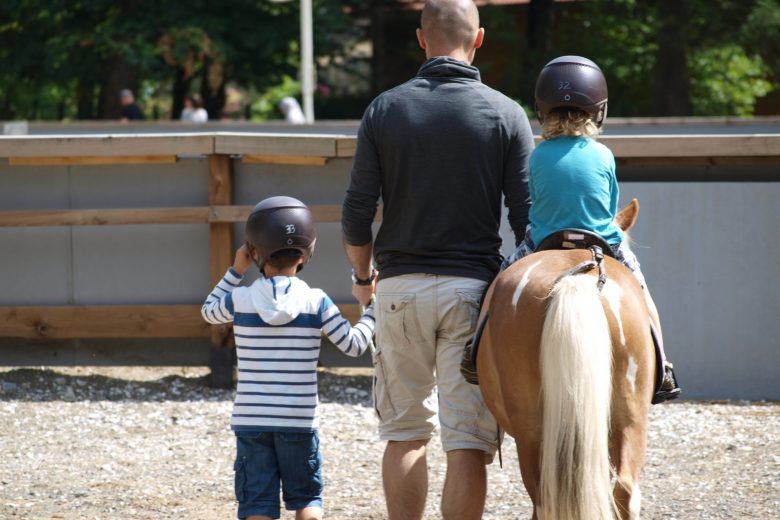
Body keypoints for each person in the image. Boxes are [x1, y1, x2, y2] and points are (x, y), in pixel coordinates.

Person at [340, 1, 534, 518]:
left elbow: (357, 215)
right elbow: (527, 222)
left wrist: (363, 278)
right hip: (473, 293)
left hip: (399, 289)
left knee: (405, 434)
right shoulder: (506, 113)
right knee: (467, 439)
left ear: (422, 39)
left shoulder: (384, 109)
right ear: (480, 39)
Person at [500, 55, 681, 404]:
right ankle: (663, 364)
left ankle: (474, 346)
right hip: (604, 241)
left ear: (543, 111)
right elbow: (611, 204)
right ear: (598, 111)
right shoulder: (604, 154)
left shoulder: (537, 156)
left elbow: (535, 203)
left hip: (544, 241)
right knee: (642, 295)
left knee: (499, 284)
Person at [202, 196, 376, 520]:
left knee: (256, 505)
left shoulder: (239, 299)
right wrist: (374, 309)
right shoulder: (317, 301)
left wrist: (236, 269)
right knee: (307, 500)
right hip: (299, 420)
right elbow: (354, 345)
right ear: (306, 252)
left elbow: (208, 311)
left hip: (251, 421)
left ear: (253, 251)